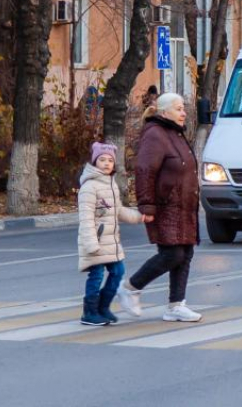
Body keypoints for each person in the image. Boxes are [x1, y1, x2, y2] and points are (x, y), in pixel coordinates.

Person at [117, 93, 203, 322]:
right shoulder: (155, 135)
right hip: (166, 205)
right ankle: (131, 287)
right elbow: (145, 171)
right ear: (164, 112)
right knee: (172, 254)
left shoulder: (175, 133)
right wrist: (146, 205)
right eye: (178, 109)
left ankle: (176, 305)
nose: (183, 112)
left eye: (183, 108)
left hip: (183, 205)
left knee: (184, 253)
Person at [77, 142, 151, 326]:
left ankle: (103, 307)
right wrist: (91, 244)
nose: (106, 163)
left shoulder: (111, 185)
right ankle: (89, 312)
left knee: (118, 272)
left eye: (110, 160)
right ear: (94, 162)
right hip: (95, 242)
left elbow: (119, 211)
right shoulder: (89, 187)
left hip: (111, 242)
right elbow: (86, 219)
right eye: (102, 159)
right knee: (96, 276)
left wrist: (140, 217)